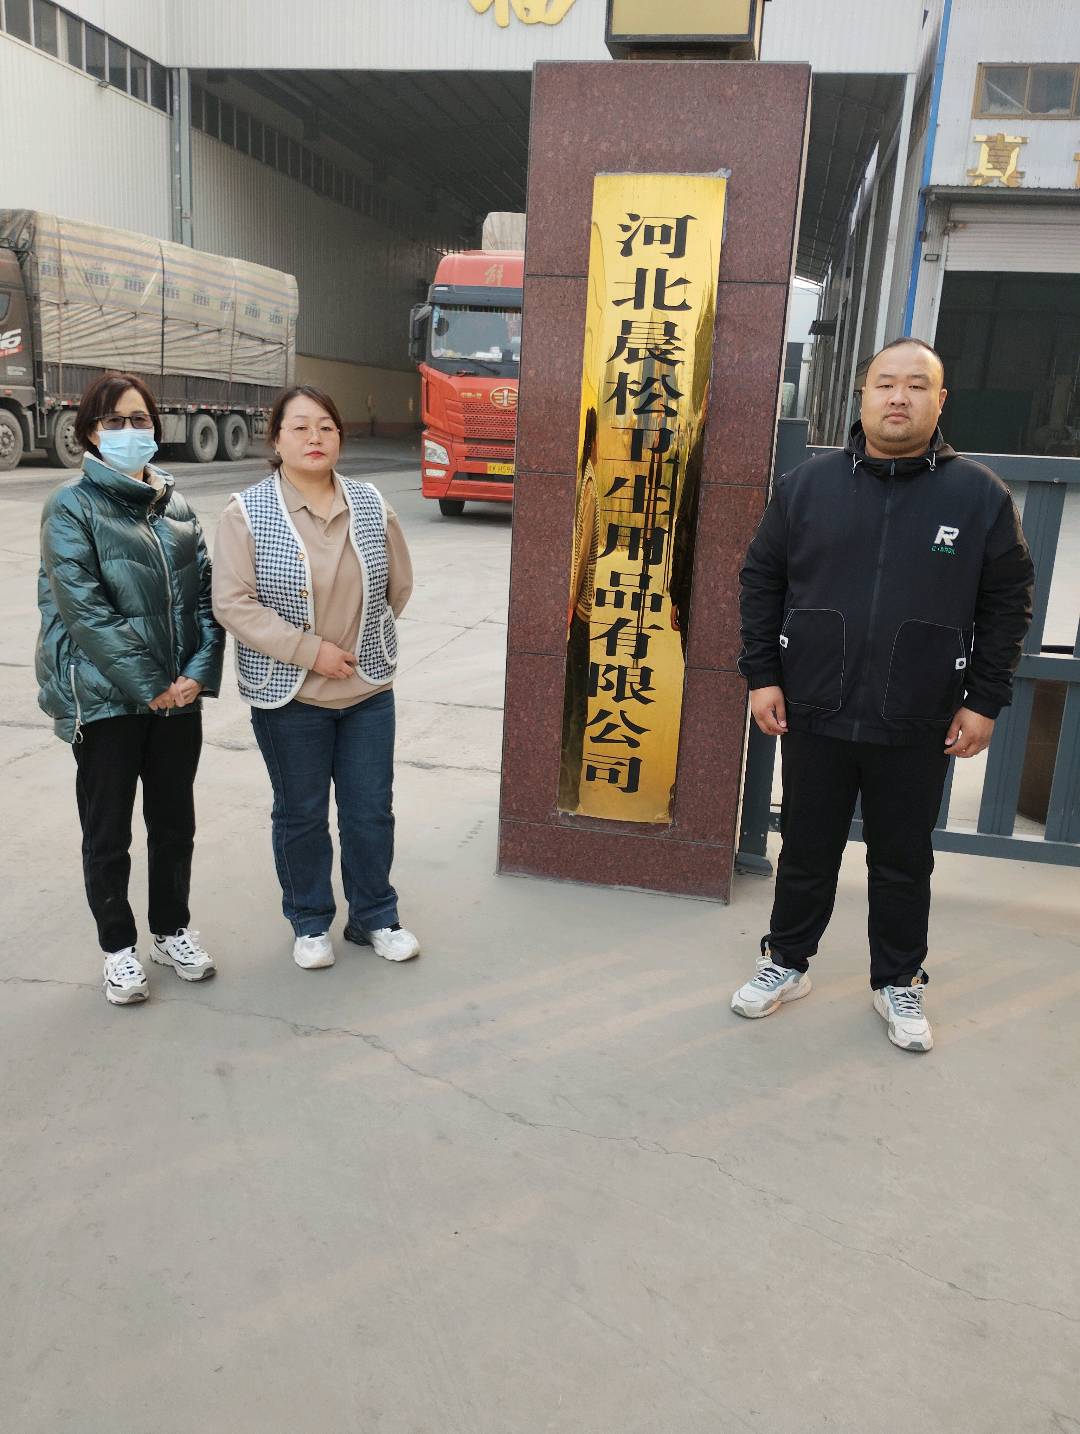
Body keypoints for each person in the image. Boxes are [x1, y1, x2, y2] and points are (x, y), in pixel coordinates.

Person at [733, 338, 1034, 1052]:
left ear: (940, 400)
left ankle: (897, 978)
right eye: (885, 384)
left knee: (902, 858)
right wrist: (762, 674)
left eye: (917, 385)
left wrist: (983, 698)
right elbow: (761, 579)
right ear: (863, 396)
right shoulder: (808, 486)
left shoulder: (978, 496)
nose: (899, 397)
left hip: (919, 714)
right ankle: (786, 960)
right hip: (814, 705)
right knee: (806, 847)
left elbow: (1007, 603)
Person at [212, 385, 419, 970]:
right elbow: (233, 603)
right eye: (300, 427)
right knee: (301, 813)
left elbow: (398, 585)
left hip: (368, 692)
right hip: (291, 698)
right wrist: (310, 651)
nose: (314, 438)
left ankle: (375, 916)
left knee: (369, 811)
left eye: (326, 426)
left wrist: (362, 637)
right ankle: (309, 921)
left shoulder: (370, 502)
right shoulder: (246, 512)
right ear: (276, 439)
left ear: (339, 438)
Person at [36, 373, 224, 1005]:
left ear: (155, 427)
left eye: (138, 419)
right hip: (106, 699)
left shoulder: (178, 508)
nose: (128, 431)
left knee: (174, 823)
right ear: (91, 432)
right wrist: (151, 686)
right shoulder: (70, 506)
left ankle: (171, 930)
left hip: (178, 698)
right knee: (108, 829)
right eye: (113, 421)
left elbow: (207, 601)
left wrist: (197, 674)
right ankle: (118, 947)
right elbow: (85, 612)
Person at [559, 407, 600, 810]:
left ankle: (567, 788)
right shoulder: (588, 483)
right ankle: (568, 791)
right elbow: (581, 550)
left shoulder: (583, 480)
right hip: (579, 615)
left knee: (573, 702)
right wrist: (571, 606)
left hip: (577, 611)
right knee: (575, 705)